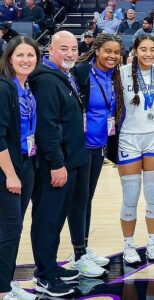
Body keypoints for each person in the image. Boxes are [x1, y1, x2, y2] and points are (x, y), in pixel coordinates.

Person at [29, 31, 91, 297]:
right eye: (63, 48)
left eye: (74, 49)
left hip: (71, 161)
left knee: (56, 220)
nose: (70, 54)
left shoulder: (67, 75)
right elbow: (47, 128)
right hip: (56, 164)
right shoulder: (45, 80)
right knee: (48, 219)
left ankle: (50, 266)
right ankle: (44, 275)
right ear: (50, 50)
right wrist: (56, 163)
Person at [70, 33, 123, 273]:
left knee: (87, 199)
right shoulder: (81, 72)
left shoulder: (114, 76)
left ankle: (83, 248)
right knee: (79, 200)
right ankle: (78, 253)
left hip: (99, 147)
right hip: (81, 146)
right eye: (107, 51)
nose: (112, 56)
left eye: (116, 52)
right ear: (97, 50)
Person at [117, 35, 154, 265]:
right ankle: (128, 245)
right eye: (143, 49)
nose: (148, 53)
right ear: (135, 50)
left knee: (153, 194)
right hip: (129, 138)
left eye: (153, 49)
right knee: (130, 195)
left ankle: (153, 242)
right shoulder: (122, 72)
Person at [0, 35, 40, 300]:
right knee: (9, 228)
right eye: (21, 55)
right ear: (9, 58)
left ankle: (7, 280)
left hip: (26, 163)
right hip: (8, 169)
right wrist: (11, 174)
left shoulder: (26, 87)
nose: (26, 60)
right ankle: (3, 289)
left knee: (13, 227)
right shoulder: (4, 87)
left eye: (31, 55)